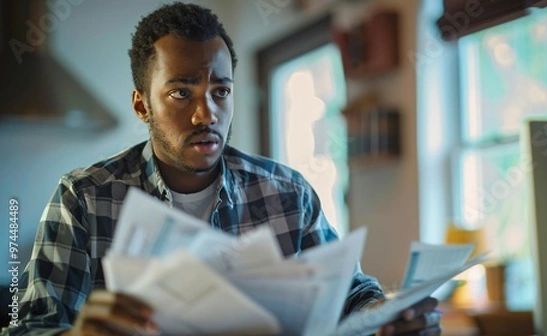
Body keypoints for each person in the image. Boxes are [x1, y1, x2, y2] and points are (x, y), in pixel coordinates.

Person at [1, 2, 441, 336]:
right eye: (181, 93)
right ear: (142, 105)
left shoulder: (287, 192)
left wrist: (387, 317)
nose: (206, 114)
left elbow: (352, 294)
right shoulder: (83, 198)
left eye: (221, 91)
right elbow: (29, 327)